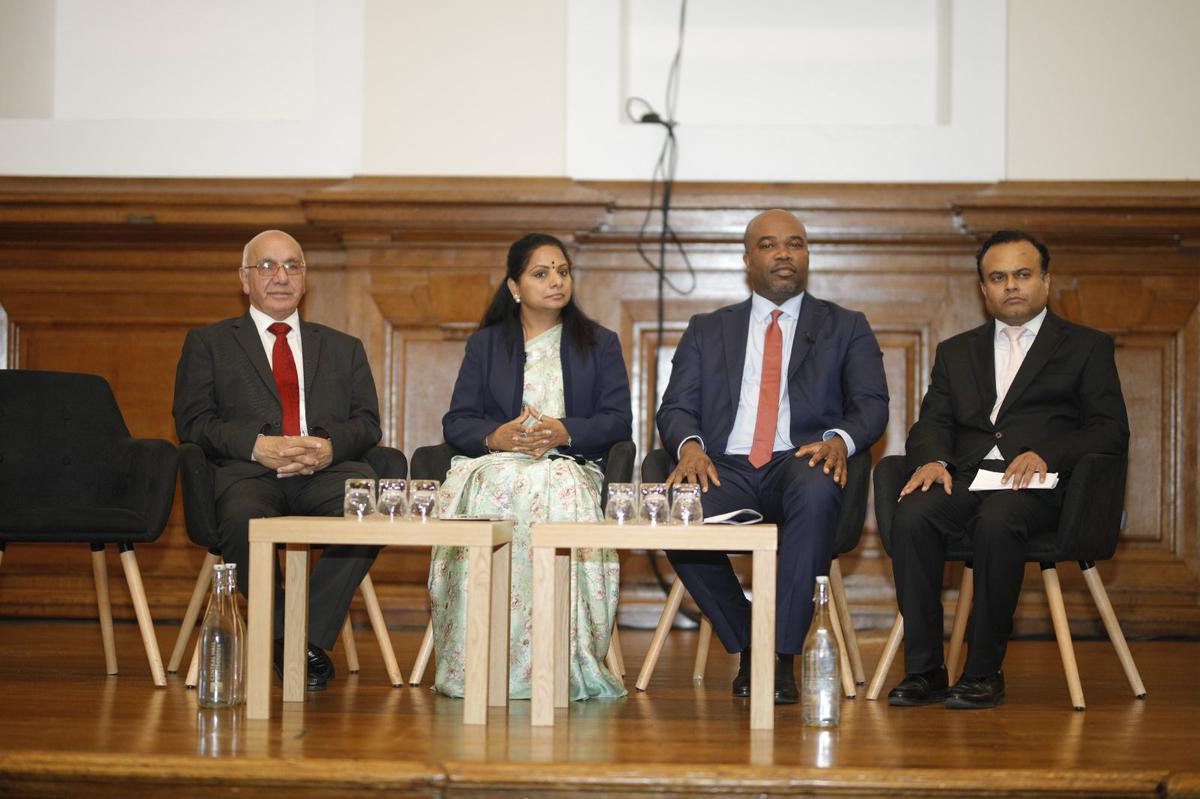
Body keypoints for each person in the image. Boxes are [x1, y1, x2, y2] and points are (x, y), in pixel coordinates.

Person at [886, 230, 1129, 709]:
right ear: (984, 289)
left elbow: (1109, 430)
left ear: (1045, 281)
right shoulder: (957, 351)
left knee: (998, 522)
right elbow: (931, 421)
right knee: (913, 516)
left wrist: (1049, 453)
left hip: (1041, 488)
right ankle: (925, 670)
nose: (1011, 286)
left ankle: (982, 671)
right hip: (970, 477)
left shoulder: (1085, 347)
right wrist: (934, 460)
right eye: (998, 278)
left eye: (1022, 274)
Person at [657, 209, 890, 704]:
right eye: (768, 244)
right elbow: (676, 405)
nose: (784, 253)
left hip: (801, 459)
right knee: (675, 511)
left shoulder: (845, 326)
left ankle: (782, 656)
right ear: (747, 259)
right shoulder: (706, 328)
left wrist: (838, 440)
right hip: (725, 467)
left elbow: (871, 405)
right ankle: (749, 642)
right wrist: (691, 446)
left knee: (815, 484)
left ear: (806, 254)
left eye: (795, 243)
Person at [173, 229, 382, 692]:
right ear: (245, 280)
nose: (281, 276)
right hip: (248, 473)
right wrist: (256, 445)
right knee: (244, 516)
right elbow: (193, 422)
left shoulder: (343, 346)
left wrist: (326, 445)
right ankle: (291, 640)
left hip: (325, 471)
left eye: (292, 265)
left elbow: (368, 423)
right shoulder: (208, 343)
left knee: (367, 510)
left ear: (305, 279)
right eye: (266, 266)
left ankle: (297, 637)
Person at [430, 232, 631, 701]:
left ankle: (560, 653)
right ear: (515, 286)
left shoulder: (598, 343)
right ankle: (481, 654)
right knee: (506, 480)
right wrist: (494, 437)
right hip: (497, 464)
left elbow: (617, 421)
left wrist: (564, 432)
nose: (556, 281)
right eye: (541, 273)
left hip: (570, 465)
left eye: (562, 271)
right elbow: (457, 421)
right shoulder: (486, 345)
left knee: (548, 481)